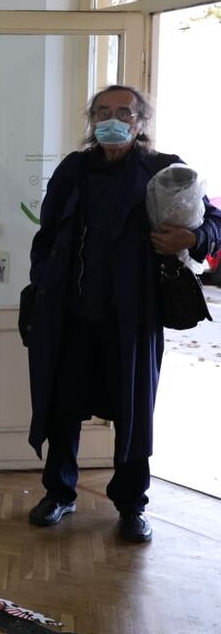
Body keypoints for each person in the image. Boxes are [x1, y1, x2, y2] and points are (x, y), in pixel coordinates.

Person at [24, 85, 221, 543]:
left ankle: (132, 505)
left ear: (140, 121)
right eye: (103, 112)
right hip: (71, 316)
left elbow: (213, 220)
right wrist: (43, 279)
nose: (113, 120)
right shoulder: (73, 169)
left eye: (124, 113)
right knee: (62, 408)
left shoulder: (164, 171)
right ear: (92, 120)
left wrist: (192, 239)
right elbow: (47, 234)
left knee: (134, 412)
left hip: (131, 320)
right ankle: (59, 492)